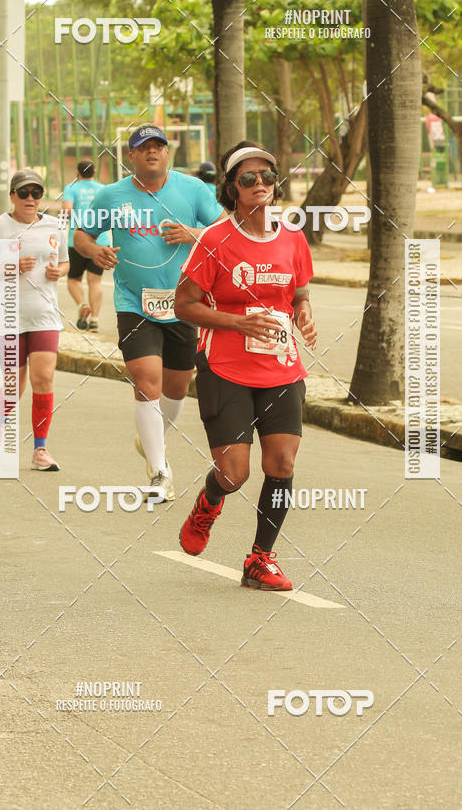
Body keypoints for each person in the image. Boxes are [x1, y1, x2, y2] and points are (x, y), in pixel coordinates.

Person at [175, 141, 318, 592]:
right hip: (225, 366)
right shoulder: (215, 240)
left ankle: (261, 559)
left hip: (281, 366)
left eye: (267, 177)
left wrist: (305, 313)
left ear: (276, 185)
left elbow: (298, 291)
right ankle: (209, 501)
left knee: (282, 460)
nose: (260, 185)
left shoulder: (292, 236)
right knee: (235, 472)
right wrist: (238, 322)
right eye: (247, 178)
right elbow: (184, 305)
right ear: (232, 188)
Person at [74, 125, 224, 500]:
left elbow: (225, 230)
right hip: (133, 302)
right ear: (131, 156)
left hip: (184, 302)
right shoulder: (111, 196)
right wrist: (95, 252)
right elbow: (81, 236)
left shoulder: (193, 190)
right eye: (144, 148)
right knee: (146, 381)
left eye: (158, 146)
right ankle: (160, 473)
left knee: (176, 388)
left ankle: (150, 439)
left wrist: (194, 233)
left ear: (167, 153)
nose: (152, 152)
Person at [0, 169, 69, 471]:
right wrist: (9, 267)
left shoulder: (54, 226)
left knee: (45, 378)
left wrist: (59, 272)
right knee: (14, 385)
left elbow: (64, 261)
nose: (30, 199)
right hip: (8, 316)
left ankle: (40, 449)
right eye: (23, 193)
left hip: (44, 315)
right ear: (12, 196)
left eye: (36, 193)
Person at [62, 159, 110, 332]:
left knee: (73, 279)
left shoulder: (71, 188)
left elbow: (67, 210)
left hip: (77, 240)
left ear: (78, 172)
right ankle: (95, 320)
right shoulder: (103, 189)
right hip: (101, 241)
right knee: (95, 282)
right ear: (94, 172)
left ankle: (82, 305)